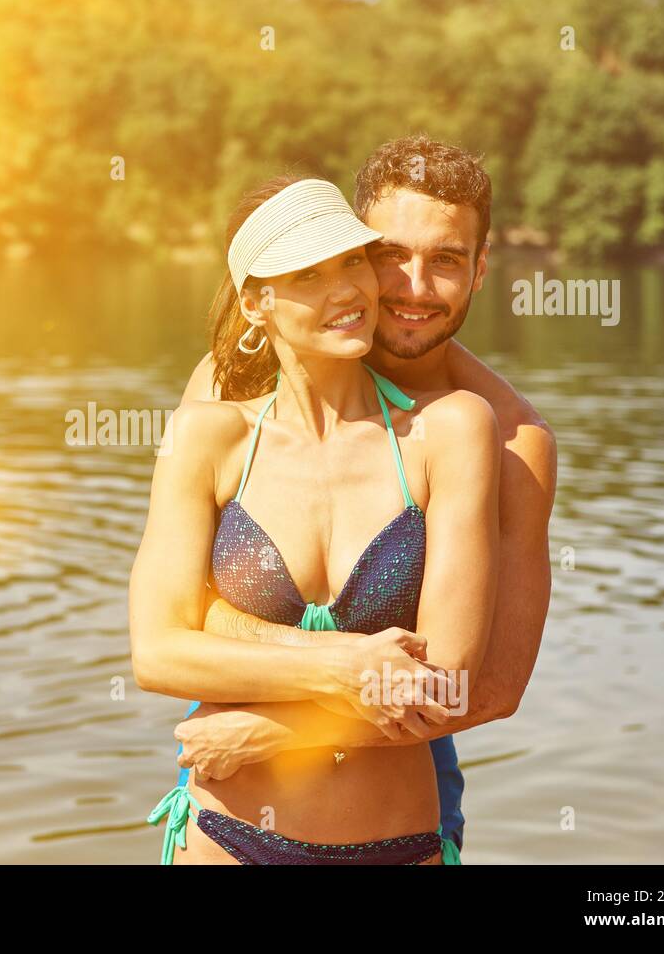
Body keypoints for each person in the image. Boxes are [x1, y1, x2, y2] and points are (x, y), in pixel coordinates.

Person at [171, 135, 559, 860]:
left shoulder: (508, 440)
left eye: (445, 260)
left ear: (479, 272)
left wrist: (283, 735)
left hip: (396, 782)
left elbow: (496, 685)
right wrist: (337, 668)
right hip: (229, 795)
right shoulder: (236, 385)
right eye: (389, 255)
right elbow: (179, 606)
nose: (412, 288)